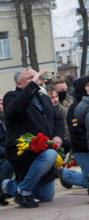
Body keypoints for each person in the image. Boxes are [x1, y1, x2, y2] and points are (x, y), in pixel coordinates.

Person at [1, 69, 69, 208]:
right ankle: (23, 191)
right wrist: (33, 84)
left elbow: (56, 118)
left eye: (36, 76)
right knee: (50, 154)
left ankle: (8, 186)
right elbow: (16, 109)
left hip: (44, 149)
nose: (36, 79)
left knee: (46, 196)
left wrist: (57, 136)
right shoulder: (11, 96)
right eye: (30, 77)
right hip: (24, 153)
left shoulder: (43, 97)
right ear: (19, 83)